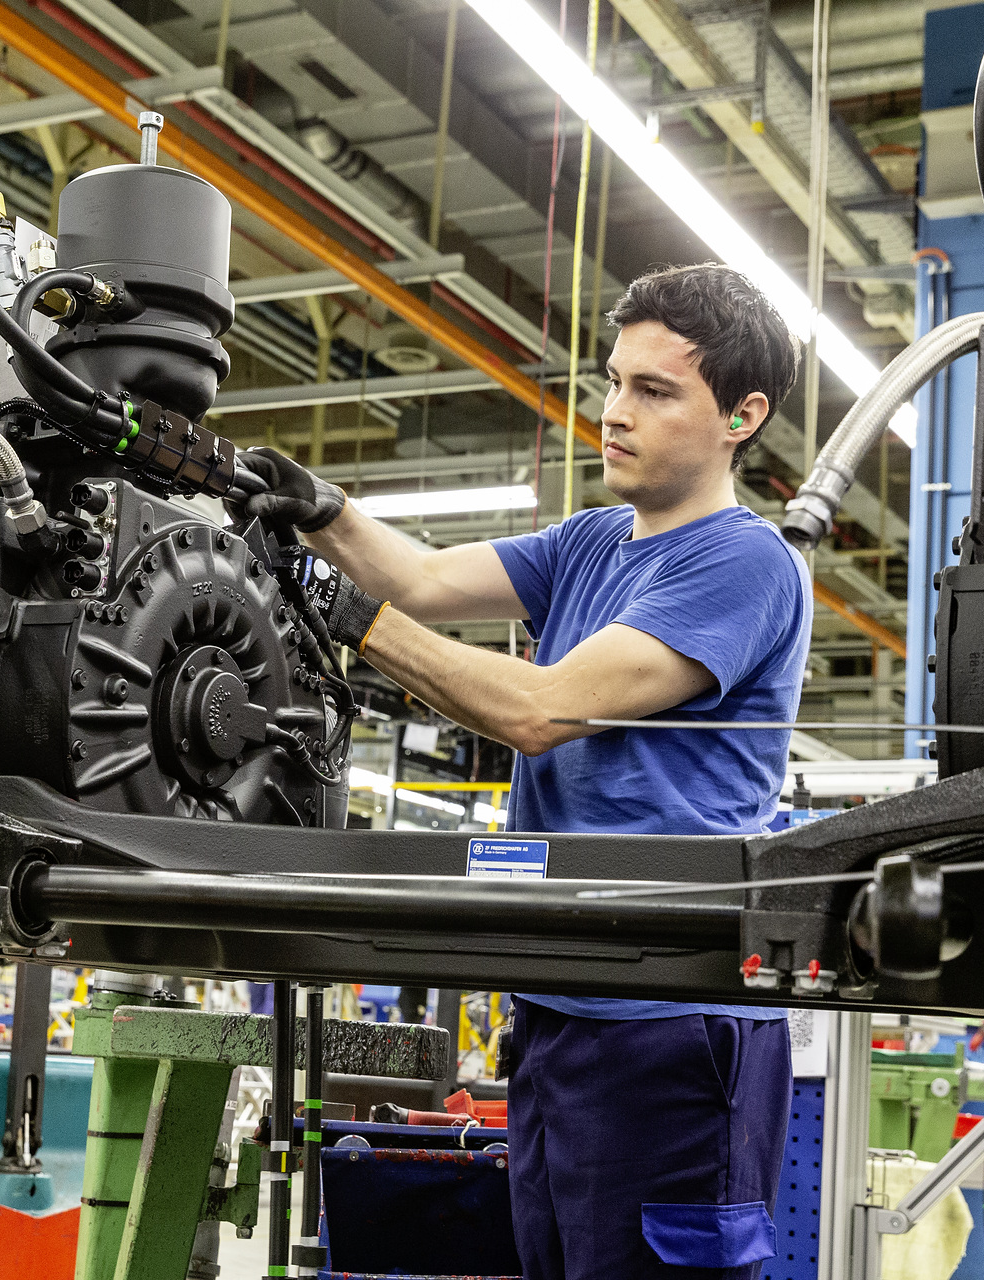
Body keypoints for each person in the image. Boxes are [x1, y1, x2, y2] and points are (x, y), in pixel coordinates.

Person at [226, 263, 809, 1279]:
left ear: (743, 415)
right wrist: (321, 509)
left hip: (667, 1022)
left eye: (654, 391)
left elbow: (542, 709)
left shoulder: (747, 562)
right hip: (561, 1007)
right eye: (613, 380)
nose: (613, 413)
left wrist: (350, 618)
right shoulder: (591, 540)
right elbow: (423, 577)